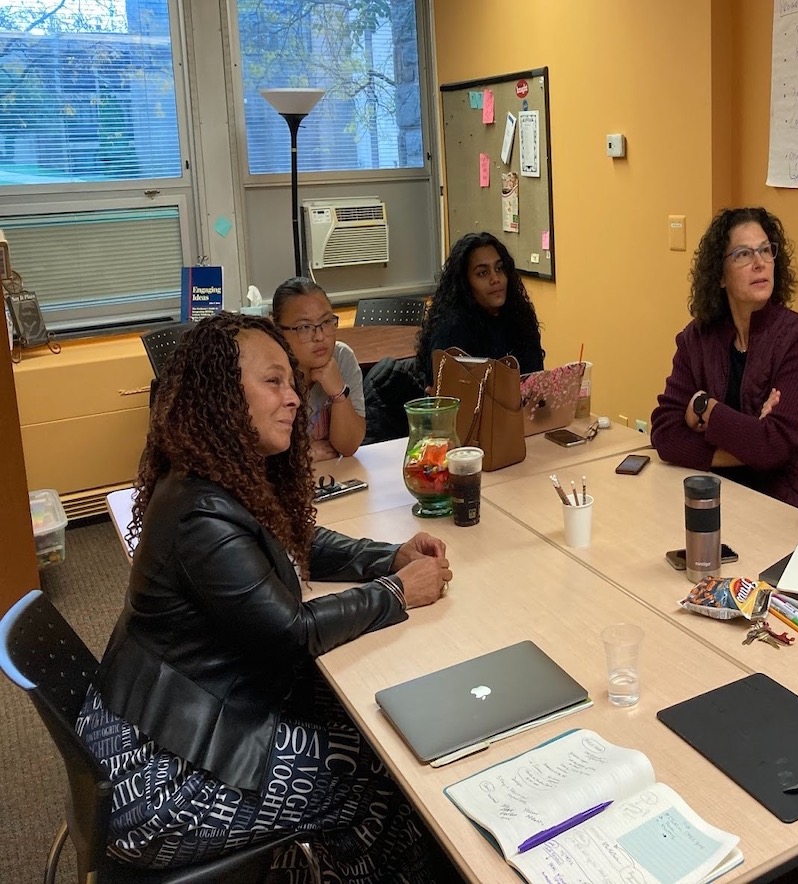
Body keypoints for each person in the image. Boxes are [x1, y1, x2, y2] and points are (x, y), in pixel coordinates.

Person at [75, 313, 456, 881]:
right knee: (383, 771)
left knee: (371, 731)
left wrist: (388, 557)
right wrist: (396, 591)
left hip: (167, 724)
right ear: (223, 397)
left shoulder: (215, 478)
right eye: (272, 382)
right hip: (156, 784)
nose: (293, 399)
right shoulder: (200, 513)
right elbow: (291, 632)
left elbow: (296, 538)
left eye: (290, 383)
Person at [650, 206, 798, 508]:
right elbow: (665, 435)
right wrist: (749, 442)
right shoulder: (698, 338)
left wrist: (705, 406)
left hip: (786, 507)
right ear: (720, 276)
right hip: (719, 495)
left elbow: (772, 447)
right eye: (743, 255)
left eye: (765, 251)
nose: (760, 263)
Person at [415, 232, 545, 385]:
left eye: (499, 268)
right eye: (482, 273)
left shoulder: (519, 317)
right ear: (464, 283)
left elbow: (535, 379)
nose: (495, 279)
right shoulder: (452, 329)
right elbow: (449, 396)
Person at [272, 277, 365, 460]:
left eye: (327, 322)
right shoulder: (269, 369)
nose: (320, 336)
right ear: (278, 330)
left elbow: (348, 447)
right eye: (305, 327)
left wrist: (339, 393)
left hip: (331, 475)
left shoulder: (341, 357)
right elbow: (253, 450)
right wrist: (302, 454)